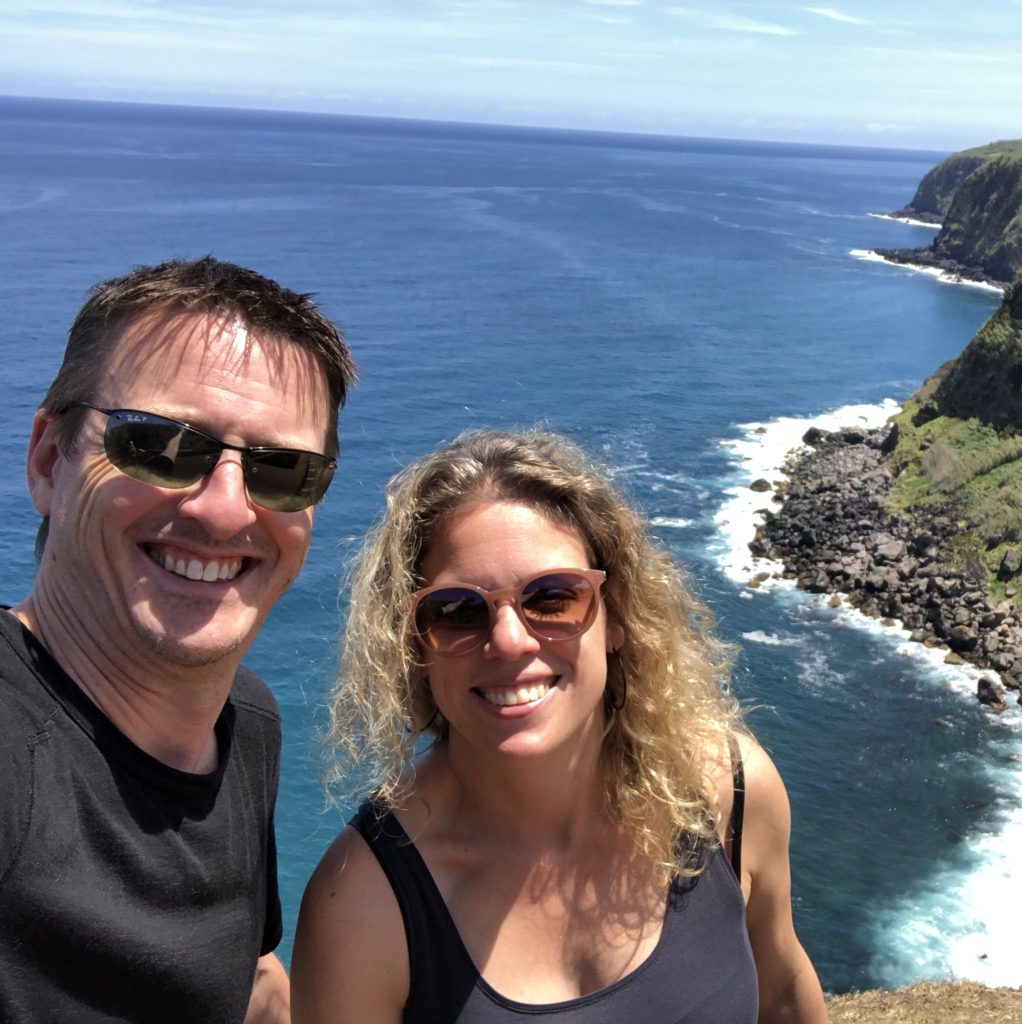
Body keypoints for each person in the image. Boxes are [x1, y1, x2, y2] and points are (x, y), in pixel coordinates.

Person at [292, 429, 827, 1024]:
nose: (509, 641)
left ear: (616, 617)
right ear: (414, 644)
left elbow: (781, 990)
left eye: (552, 597)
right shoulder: (364, 908)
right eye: (457, 611)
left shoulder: (729, 790)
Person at [0, 256, 357, 1023]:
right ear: (48, 461)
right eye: (161, 446)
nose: (226, 510)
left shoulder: (245, 725)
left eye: (283, 470)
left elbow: (248, 976)